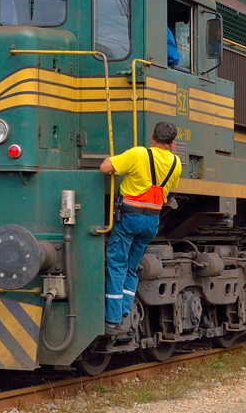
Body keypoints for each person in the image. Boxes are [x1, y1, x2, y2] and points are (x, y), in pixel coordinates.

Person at [99, 121, 181, 335]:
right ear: (172, 143)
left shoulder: (138, 154)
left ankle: (112, 320)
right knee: (131, 268)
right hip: (151, 222)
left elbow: (105, 167)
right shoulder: (176, 163)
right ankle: (124, 313)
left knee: (117, 264)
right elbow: (169, 187)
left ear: (152, 136)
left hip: (129, 219)